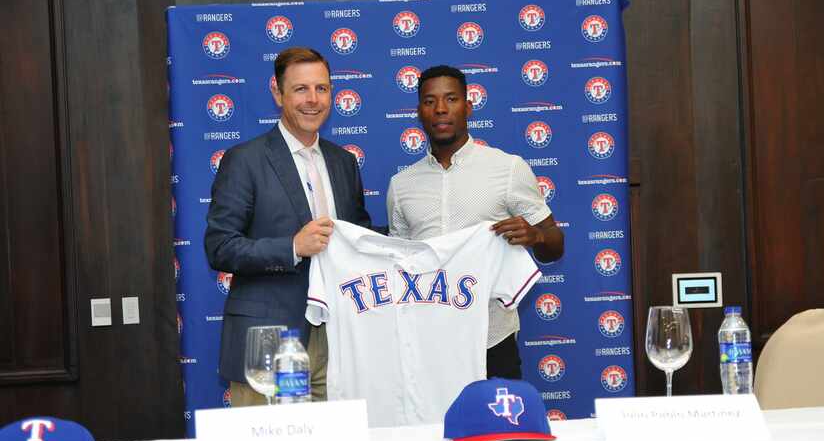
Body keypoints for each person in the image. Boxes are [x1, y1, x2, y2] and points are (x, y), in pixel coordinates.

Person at [205, 47, 371, 405]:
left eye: (322, 89)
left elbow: (360, 238)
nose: (313, 100)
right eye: (300, 89)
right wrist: (292, 247)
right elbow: (220, 246)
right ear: (277, 92)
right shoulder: (244, 161)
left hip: (339, 339)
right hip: (270, 340)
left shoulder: (344, 163)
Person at [387, 65, 564, 380]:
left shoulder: (508, 168)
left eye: (451, 99)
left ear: (468, 107)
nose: (441, 108)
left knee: (500, 430)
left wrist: (535, 236)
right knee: (429, 431)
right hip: (427, 343)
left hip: (492, 341)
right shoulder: (401, 185)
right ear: (419, 112)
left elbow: (555, 244)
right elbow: (399, 265)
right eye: (430, 101)